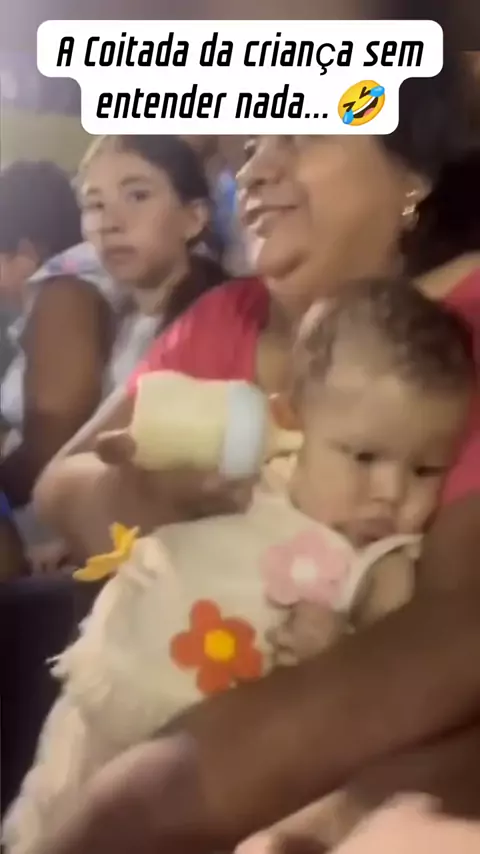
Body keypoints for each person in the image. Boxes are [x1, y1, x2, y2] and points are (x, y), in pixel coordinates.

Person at [30, 56, 480, 853]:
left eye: (300, 131)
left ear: (410, 169)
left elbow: (451, 637)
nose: (256, 170)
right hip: (118, 692)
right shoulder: (225, 319)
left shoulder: (453, 346)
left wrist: (164, 792)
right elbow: (61, 479)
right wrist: (141, 501)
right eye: (247, 146)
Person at [5, 277, 475, 854]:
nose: (391, 492)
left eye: (425, 470)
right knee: (39, 823)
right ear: (294, 419)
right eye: (364, 456)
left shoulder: (386, 563)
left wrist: (334, 644)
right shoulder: (249, 469)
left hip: (193, 746)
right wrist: (142, 469)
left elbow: (381, 667)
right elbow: (120, 457)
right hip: (102, 688)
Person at [0, 135, 225, 815]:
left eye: (137, 195)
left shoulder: (217, 323)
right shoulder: (118, 318)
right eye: (95, 205)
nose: (110, 222)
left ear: (194, 216)